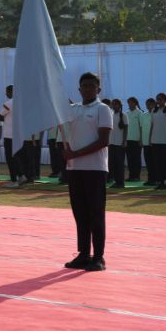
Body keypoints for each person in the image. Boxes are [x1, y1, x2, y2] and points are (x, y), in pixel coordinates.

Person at [62, 72, 113, 272]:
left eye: (92, 86)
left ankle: (98, 257)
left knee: (95, 214)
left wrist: (75, 153)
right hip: (75, 169)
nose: (88, 89)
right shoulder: (72, 110)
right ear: (79, 89)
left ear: (98, 89)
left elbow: (103, 141)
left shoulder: (103, 109)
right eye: (84, 86)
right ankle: (83, 254)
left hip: (95, 169)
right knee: (80, 214)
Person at [150, 93, 166, 190]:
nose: (159, 101)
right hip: (155, 141)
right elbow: (152, 126)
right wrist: (150, 139)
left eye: (160, 99)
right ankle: (161, 182)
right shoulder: (154, 110)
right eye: (157, 99)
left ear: (165, 100)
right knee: (157, 164)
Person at [1, 85, 21, 186]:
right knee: (17, 157)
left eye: (7, 91)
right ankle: (21, 176)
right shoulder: (20, 103)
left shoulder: (8, 103)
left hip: (9, 135)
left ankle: (14, 180)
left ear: (11, 92)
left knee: (10, 158)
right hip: (17, 134)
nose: (6, 94)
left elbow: (0, 116)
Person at [108, 99, 128, 188]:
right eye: (113, 104)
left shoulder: (123, 115)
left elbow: (126, 130)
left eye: (117, 104)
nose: (115, 106)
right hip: (111, 143)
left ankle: (121, 182)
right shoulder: (110, 115)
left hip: (120, 143)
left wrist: (124, 141)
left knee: (120, 164)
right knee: (113, 163)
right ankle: (116, 181)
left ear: (120, 106)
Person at [125, 97, 143, 182]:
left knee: (136, 159)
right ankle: (131, 176)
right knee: (129, 159)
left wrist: (141, 139)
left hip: (136, 140)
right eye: (129, 103)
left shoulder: (140, 113)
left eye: (132, 102)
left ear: (136, 103)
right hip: (128, 139)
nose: (130, 104)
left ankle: (136, 176)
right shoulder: (127, 113)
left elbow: (141, 127)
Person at [142, 98, 156, 186]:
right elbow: (142, 128)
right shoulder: (144, 115)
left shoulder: (157, 113)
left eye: (150, 104)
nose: (148, 106)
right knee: (148, 162)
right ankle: (150, 179)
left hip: (154, 142)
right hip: (146, 142)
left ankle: (156, 179)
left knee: (154, 162)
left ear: (154, 104)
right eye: (147, 104)